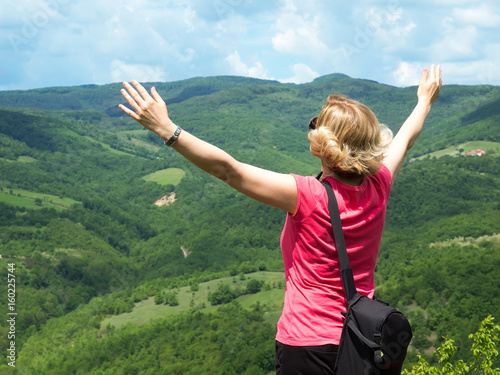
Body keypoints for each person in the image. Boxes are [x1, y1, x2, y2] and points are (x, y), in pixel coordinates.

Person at [119, 65, 442, 375]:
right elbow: (406, 138)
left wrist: (166, 128)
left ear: (321, 146)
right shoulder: (379, 184)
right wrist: (425, 101)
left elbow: (229, 170)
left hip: (307, 343)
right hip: (361, 340)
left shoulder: (307, 194)